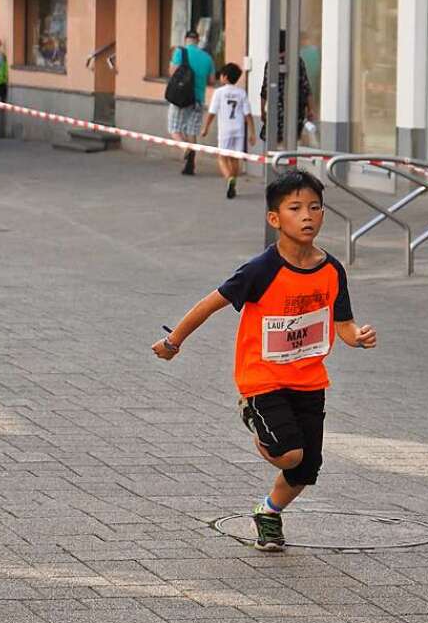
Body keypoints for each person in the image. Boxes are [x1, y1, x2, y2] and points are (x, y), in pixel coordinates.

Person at [152, 170, 375, 551]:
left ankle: (268, 513)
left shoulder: (331, 269)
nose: (307, 216)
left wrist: (357, 337)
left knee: (305, 468)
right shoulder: (262, 269)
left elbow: (344, 323)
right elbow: (211, 303)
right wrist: (174, 342)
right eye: (295, 208)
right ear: (275, 219)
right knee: (288, 451)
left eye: (315, 207)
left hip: (309, 379)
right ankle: (255, 419)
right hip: (262, 377)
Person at [201, 63, 256, 200]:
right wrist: (252, 132)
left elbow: (212, 112)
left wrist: (206, 127)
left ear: (224, 77)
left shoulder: (219, 92)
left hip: (225, 129)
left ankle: (229, 179)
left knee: (222, 157)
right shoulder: (241, 93)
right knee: (235, 158)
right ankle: (234, 182)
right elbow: (248, 114)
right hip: (239, 129)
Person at [168, 30, 215, 176]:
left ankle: (186, 150)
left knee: (174, 129)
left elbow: (172, 72)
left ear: (186, 39)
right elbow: (212, 80)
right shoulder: (208, 57)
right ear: (198, 40)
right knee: (191, 131)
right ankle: (191, 163)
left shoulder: (180, 52)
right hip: (198, 99)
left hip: (180, 98)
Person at [260, 31, 314, 146]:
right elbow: (306, 87)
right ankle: (292, 162)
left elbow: (265, 90)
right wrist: (310, 109)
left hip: (276, 110)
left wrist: (262, 110)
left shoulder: (271, 64)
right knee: (294, 141)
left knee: (276, 143)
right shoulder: (297, 61)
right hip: (296, 110)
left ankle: (278, 162)